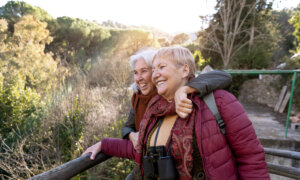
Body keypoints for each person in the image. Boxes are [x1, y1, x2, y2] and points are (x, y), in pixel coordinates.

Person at [84, 46, 270, 179]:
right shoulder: (155, 109)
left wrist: (185, 90)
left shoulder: (219, 101)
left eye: (161, 67)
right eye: (154, 69)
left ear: (184, 70)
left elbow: (251, 159)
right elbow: (142, 150)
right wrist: (104, 144)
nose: (154, 74)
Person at [122, 48, 232, 150]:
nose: (139, 78)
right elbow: (127, 127)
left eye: (144, 71)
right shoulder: (139, 98)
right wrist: (132, 136)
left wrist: (185, 89)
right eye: (135, 73)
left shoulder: (169, 93)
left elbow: (223, 76)